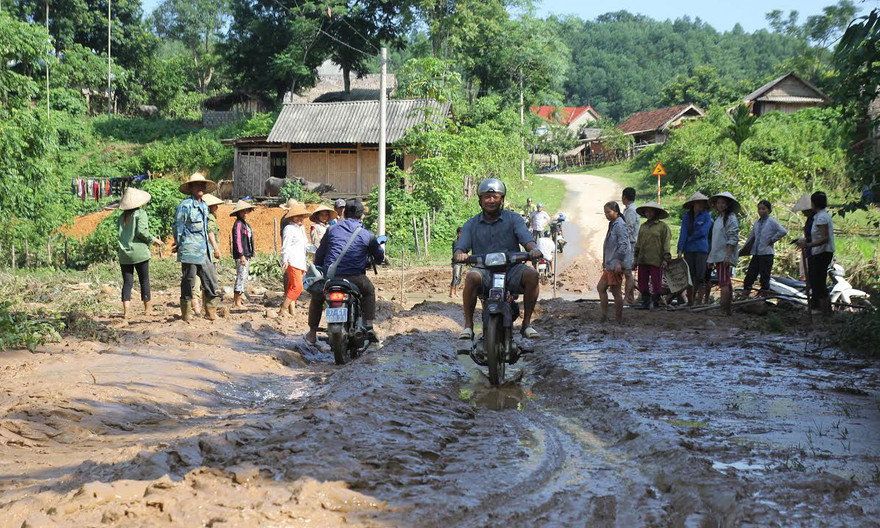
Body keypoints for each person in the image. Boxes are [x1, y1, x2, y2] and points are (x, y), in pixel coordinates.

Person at [454, 178, 543, 340]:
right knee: (471, 276)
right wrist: (460, 253)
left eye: (495, 197)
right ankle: (468, 326)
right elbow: (462, 246)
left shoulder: (514, 219)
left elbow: (526, 238)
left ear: (502, 199)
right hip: (484, 270)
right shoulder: (471, 224)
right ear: (480, 200)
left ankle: (526, 324)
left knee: (532, 275)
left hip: (512, 269)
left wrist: (533, 249)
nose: (491, 200)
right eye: (487, 197)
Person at [306, 200, 385, 344]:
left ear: (343, 213)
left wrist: (319, 268)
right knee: (369, 291)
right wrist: (380, 259)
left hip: (331, 277)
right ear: (362, 216)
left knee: (318, 296)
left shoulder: (332, 230)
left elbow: (320, 254)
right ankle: (369, 326)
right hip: (355, 278)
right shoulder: (367, 235)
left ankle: (312, 333)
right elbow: (379, 256)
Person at [174, 172, 220, 321]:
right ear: (191, 188)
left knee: (211, 279)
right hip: (190, 250)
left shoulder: (205, 206)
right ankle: (186, 314)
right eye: (197, 185)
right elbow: (178, 227)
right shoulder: (185, 206)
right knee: (189, 281)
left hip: (204, 250)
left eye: (202, 185)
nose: (200, 187)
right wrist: (179, 244)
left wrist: (213, 249)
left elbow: (207, 229)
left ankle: (210, 311)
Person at [116, 187, 164, 318]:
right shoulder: (140, 214)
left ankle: (126, 312)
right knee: (144, 280)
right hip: (139, 252)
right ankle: (147, 309)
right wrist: (155, 240)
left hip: (124, 254)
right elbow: (141, 232)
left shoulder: (121, 217)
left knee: (127, 282)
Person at [796, 191, 835, 315]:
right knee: (814, 280)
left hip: (822, 253)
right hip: (817, 252)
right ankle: (822, 310)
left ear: (814, 204)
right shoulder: (818, 216)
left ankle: (826, 311)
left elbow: (824, 238)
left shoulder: (822, 217)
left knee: (819, 282)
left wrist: (808, 245)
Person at [742, 200, 787, 297]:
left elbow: (783, 231)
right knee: (750, 275)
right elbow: (751, 237)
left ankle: (763, 299)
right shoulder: (757, 223)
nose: (761, 211)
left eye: (764, 209)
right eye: (759, 209)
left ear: (769, 210)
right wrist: (744, 249)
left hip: (767, 254)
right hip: (757, 253)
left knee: (764, 277)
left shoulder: (772, 222)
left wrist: (772, 240)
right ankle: (745, 295)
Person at [633, 201, 671, 310]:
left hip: (656, 259)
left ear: (656, 212)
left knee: (656, 282)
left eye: (651, 211)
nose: (649, 213)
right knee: (642, 281)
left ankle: (656, 303)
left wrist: (665, 258)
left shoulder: (662, 227)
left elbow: (666, 243)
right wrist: (635, 258)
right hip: (643, 258)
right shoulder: (643, 227)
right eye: (647, 211)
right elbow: (638, 243)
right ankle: (645, 302)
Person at [707, 192, 741, 316]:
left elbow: (733, 238)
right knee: (725, 281)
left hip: (724, 255)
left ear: (727, 205)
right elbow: (715, 241)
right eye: (719, 203)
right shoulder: (719, 219)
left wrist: (727, 255)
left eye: (723, 203)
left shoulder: (731, 218)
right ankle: (727, 309)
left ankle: (724, 308)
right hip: (719, 255)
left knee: (724, 282)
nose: (720, 205)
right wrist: (711, 258)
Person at [676, 192, 712, 306]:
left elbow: (703, 232)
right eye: (698, 203)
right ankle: (690, 301)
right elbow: (683, 233)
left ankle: (699, 301)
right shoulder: (687, 217)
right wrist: (680, 249)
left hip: (701, 249)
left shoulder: (707, 217)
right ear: (693, 204)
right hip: (689, 249)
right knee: (689, 276)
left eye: (703, 204)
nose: (701, 205)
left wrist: (690, 238)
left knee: (700, 275)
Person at [598, 201, 631, 323]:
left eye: (608, 212)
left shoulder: (620, 225)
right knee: (601, 288)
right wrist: (605, 260)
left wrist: (618, 262)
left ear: (616, 212)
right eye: (605, 212)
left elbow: (623, 245)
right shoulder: (613, 224)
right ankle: (604, 316)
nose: (606, 215)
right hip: (610, 264)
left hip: (614, 264)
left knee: (616, 292)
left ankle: (618, 319)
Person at [280, 202, 311, 316]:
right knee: (298, 287)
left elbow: (306, 244)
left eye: (301, 216)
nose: (300, 218)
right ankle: (283, 308)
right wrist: (285, 260)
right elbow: (286, 246)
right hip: (292, 261)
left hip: (300, 261)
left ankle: (292, 311)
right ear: (292, 217)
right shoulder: (289, 228)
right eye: (297, 216)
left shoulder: (301, 228)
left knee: (292, 286)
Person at [230, 200, 256, 308]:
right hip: (242, 255)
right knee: (241, 276)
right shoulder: (238, 224)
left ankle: (239, 299)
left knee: (244, 277)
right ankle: (237, 301)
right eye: (243, 211)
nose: (245, 213)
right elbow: (238, 240)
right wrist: (241, 255)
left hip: (247, 254)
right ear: (239, 212)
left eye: (246, 211)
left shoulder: (246, 224)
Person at [621, 187, 640, 304]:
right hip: (630, 243)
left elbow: (629, 228)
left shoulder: (631, 211)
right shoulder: (629, 210)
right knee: (627, 272)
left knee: (628, 272)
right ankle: (631, 297)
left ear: (624, 197)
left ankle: (627, 297)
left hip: (630, 243)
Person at [791, 193, 814, 281]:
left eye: (804, 211)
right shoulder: (809, 219)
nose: (803, 213)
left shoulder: (816, 219)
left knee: (811, 274)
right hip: (808, 249)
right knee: (804, 273)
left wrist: (805, 240)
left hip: (814, 250)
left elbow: (816, 236)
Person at [449, 227, 464, 299]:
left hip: (460, 262)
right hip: (456, 262)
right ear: (458, 234)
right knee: (455, 277)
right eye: (460, 233)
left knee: (459, 278)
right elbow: (455, 252)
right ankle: (451, 293)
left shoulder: (462, 242)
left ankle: (456, 292)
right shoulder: (456, 242)